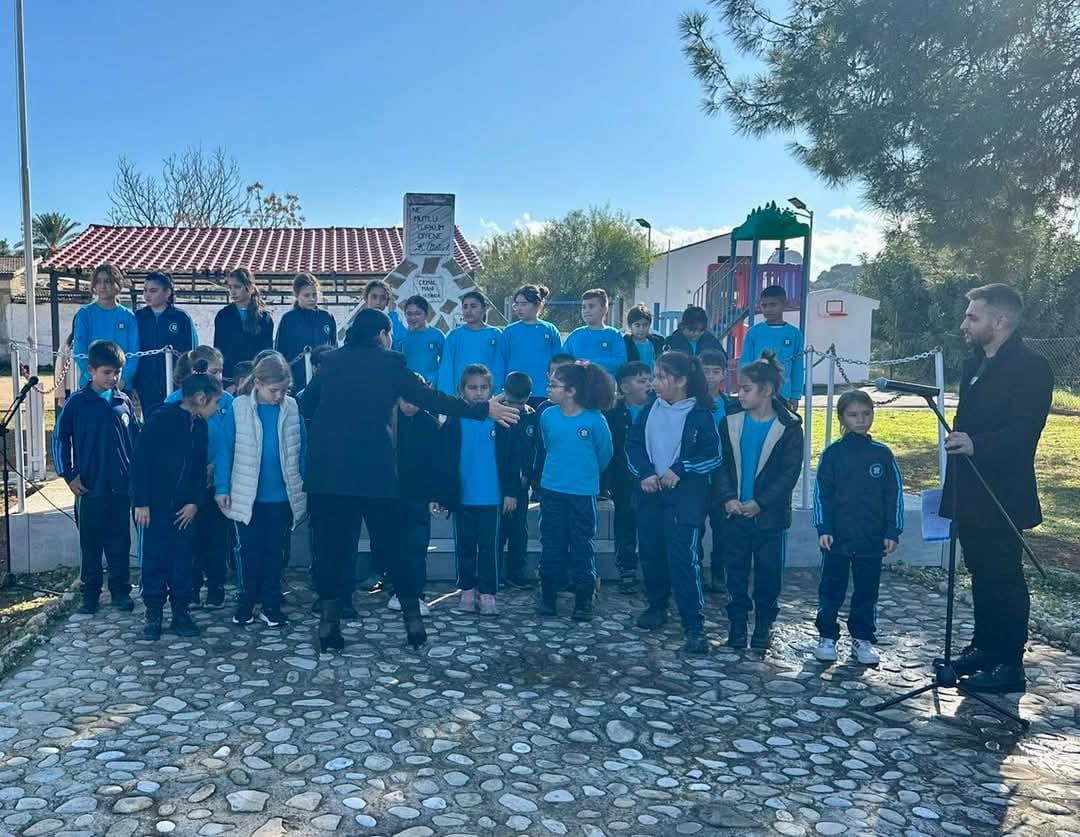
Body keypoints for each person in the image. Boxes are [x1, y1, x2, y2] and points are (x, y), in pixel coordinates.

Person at [301, 308, 519, 652]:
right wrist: (481, 409)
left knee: (331, 550)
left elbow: (306, 404)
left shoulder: (330, 362)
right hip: (374, 471)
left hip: (327, 473)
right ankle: (412, 622)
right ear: (381, 334)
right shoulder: (391, 363)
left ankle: (329, 626)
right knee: (395, 546)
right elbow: (430, 398)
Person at [939, 283, 1053, 694]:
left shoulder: (1032, 368)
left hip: (1003, 492)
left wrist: (977, 444)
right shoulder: (975, 363)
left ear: (1000, 321)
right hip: (970, 489)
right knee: (980, 573)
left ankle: (1008, 664)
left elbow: (1024, 433)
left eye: (973, 316)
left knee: (1004, 577)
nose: (964, 324)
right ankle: (984, 649)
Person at [627, 352, 722, 654]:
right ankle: (657, 605)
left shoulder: (700, 415)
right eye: (653, 377)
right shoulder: (649, 410)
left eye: (660, 377)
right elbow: (633, 445)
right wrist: (645, 473)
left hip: (685, 500)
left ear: (681, 381)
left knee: (683, 559)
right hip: (651, 495)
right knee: (651, 553)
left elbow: (712, 456)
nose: (653, 383)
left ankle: (693, 624)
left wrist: (680, 470)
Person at [712, 351, 803, 651]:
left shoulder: (789, 426)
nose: (740, 394)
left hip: (769, 516)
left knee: (768, 573)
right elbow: (721, 465)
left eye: (746, 389)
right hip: (735, 513)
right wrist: (728, 498)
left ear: (767, 390)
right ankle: (737, 624)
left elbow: (789, 473)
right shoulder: (730, 421)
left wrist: (761, 502)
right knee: (735, 572)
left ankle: (764, 624)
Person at [130, 360, 222, 640]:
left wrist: (195, 502)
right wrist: (141, 501)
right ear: (201, 398)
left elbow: (198, 469)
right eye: (215, 402)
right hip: (155, 506)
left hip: (184, 509)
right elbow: (141, 461)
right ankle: (153, 613)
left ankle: (181, 612)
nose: (217, 409)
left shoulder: (200, 427)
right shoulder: (161, 419)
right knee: (155, 559)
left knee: (183, 561)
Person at [813, 390, 903, 666]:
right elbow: (822, 494)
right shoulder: (833, 454)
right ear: (842, 418)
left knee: (867, 591)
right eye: (853, 415)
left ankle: (862, 637)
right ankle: (827, 635)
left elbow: (893, 495)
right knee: (831, 588)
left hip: (871, 538)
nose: (861, 420)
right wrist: (824, 527)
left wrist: (892, 531)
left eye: (866, 414)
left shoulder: (882, 454)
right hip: (837, 537)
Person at [217, 352, 306, 628]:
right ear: (257, 383)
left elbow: (301, 447)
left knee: (276, 552)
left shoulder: (292, 407)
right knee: (249, 552)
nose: (279, 396)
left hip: (282, 497)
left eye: (283, 390)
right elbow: (225, 449)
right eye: (273, 390)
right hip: (249, 497)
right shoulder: (239, 407)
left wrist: (304, 482)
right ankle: (246, 601)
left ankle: (271, 603)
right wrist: (222, 486)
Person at [53, 340, 139, 615]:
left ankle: (120, 590)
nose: (112, 378)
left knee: (120, 541)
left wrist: (136, 476)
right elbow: (59, 438)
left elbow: (135, 441)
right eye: (106, 372)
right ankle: (89, 594)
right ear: (91, 370)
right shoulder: (77, 403)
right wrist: (69, 474)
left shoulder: (123, 402)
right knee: (91, 543)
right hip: (90, 487)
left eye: (117, 372)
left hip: (121, 487)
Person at [435, 365, 521, 616]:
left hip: (491, 497)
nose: (478, 392)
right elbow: (444, 460)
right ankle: (467, 589)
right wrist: (440, 494)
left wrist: (511, 491)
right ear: (462, 390)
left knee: (489, 548)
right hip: (462, 496)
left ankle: (488, 593)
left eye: (483, 387)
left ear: (491, 390)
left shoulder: (500, 420)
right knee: (464, 545)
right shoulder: (454, 420)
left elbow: (512, 459)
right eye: (472, 388)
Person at [537, 361, 614, 620]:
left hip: (582, 492)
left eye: (554, 385)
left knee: (582, 545)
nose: (548, 389)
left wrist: (587, 473)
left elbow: (605, 453)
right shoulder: (548, 415)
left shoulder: (594, 420)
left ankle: (583, 599)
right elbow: (548, 445)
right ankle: (548, 595)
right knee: (552, 543)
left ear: (571, 391)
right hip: (552, 489)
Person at [165, 347, 235, 609]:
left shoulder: (227, 401)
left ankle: (216, 586)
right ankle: (191, 587)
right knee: (189, 538)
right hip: (187, 484)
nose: (218, 377)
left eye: (220, 371)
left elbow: (229, 441)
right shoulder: (175, 402)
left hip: (217, 481)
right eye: (213, 371)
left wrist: (217, 472)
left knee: (216, 537)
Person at [604, 361, 652, 594]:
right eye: (641, 381)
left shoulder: (658, 409)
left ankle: (653, 569)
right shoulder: (613, 413)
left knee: (651, 525)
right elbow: (608, 447)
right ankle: (627, 568)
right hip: (623, 478)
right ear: (624, 387)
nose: (648, 385)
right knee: (625, 522)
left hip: (653, 477)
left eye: (649, 380)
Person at [390, 394, 440, 616]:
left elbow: (435, 463)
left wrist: (434, 495)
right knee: (397, 545)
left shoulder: (429, 424)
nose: (410, 405)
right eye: (405, 400)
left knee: (418, 546)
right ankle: (397, 590)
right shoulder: (389, 421)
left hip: (420, 496)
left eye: (415, 400)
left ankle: (417, 593)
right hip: (393, 495)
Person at [131, 271, 197, 419]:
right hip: (146, 381)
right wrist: (133, 382)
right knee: (151, 419)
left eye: (153, 291)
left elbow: (188, 352)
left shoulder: (181, 317)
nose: (147, 295)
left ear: (167, 292)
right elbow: (133, 350)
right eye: (145, 290)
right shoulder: (138, 317)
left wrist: (185, 380)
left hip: (175, 382)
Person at [497, 371, 537, 589]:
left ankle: (515, 572)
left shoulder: (531, 416)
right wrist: (508, 490)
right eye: (512, 403)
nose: (516, 408)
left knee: (519, 530)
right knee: (498, 531)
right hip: (500, 484)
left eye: (520, 404)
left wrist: (529, 476)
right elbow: (503, 456)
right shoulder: (498, 416)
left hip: (523, 484)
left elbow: (534, 450)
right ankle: (494, 573)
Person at [73, 264, 140, 389]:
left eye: (108, 281)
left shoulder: (128, 316)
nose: (103, 286)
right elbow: (79, 351)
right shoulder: (85, 314)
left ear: (117, 284)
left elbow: (134, 353)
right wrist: (94, 377)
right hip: (91, 384)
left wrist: (123, 379)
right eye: (98, 281)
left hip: (121, 386)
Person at [700, 348, 732, 594]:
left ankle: (719, 573)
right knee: (695, 527)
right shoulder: (691, 404)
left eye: (715, 372)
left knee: (723, 529)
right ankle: (697, 572)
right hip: (698, 476)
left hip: (724, 475)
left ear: (724, 374)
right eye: (705, 371)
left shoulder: (731, 405)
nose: (710, 376)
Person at [741, 285, 804, 410]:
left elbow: (798, 366)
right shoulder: (754, 332)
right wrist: (745, 387)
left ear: (784, 304)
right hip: (757, 391)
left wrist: (795, 394)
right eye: (764, 305)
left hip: (784, 393)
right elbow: (745, 362)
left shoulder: (794, 334)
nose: (768, 309)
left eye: (773, 305)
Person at [498, 285, 562, 405]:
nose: (519, 308)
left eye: (524, 304)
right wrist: (499, 390)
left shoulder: (550, 330)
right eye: (516, 304)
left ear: (537, 305)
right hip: (515, 393)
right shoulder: (509, 331)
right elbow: (501, 362)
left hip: (544, 393)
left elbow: (558, 363)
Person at [274, 272, 337, 393]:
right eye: (306, 295)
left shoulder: (326, 317)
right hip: (296, 379)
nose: (312, 299)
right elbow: (279, 351)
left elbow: (334, 347)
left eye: (314, 295)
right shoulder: (288, 319)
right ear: (297, 295)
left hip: (322, 377)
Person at [213, 267, 274, 386]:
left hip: (256, 379)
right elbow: (219, 350)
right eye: (230, 287)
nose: (232, 291)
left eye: (237, 287)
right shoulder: (223, 316)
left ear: (249, 288)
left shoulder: (264, 318)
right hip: (229, 379)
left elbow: (266, 353)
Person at [437, 291, 502, 395]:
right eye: (465, 307)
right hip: (460, 395)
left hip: (487, 393)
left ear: (484, 308)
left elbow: (499, 365)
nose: (468, 310)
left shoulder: (495, 334)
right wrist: (447, 395)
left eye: (473, 306)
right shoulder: (454, 335)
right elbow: (446, 367)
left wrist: (496, 391)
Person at [564, 289, 628, 378]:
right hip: (578, 384)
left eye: (591, 306)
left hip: (604, 384)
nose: (586, 310)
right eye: (584, 307)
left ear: (604, 309)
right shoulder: (575, 335)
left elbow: (620, 361)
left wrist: (591, 364)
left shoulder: (613, 335)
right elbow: (564, 361)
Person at [394, 295, 445, 385]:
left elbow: (445, 362)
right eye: (409, 314)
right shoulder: (402, 336)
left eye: (417, 314)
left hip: (430, 386)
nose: (413, 318)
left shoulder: (437, 335)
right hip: (407, 384)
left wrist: (435, 380)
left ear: (426, 314)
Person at [361, 279, 407, 344]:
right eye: (374, 297)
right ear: (366, 298)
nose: (378, 302)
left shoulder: (390, 322)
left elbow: (403, 340)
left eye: (383, 298)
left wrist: (392, 313)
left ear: (387, 301)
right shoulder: (359, 323)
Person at [623, 304, 664, 369]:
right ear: (630, 326)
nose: (641, 329)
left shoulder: (657, 342)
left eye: (645, 325)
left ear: (649, 325)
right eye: (637, 325)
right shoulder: (625, 343)